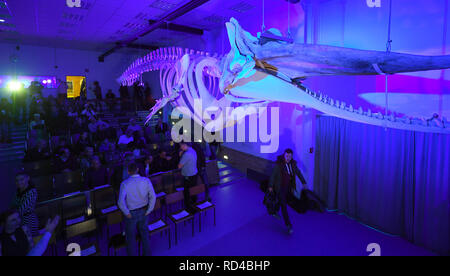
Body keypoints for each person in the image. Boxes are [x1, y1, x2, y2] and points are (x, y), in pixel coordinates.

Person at [117, 162, 156, 256]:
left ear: (128, 171)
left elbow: (120, 202)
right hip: (144, 211)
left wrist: (126, 213)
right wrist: (150, 209)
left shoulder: (124, 183)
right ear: (137, 170)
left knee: (130, 237)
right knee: (144, 234)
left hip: (131, 213)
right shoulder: (146, 180)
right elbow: (153, 196)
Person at [268, 148, 307, 235]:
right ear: (284, 155)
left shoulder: (293, 164)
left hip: (288, 188)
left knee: (281, 201)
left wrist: (304, 182)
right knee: (284, 206)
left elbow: (298, 173)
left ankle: (274, 211)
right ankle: (288, 225)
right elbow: (273, 175)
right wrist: (270, 186)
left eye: (290, 156)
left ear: (292, 156)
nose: (288, 158)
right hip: (280, 187)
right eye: (286, 156)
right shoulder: (279, 164)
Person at [178, 142, 198, 211]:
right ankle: (194, 206)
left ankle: (189, 209)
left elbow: (179, 166)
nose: (180, 148)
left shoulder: (186, 154)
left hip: (188, 176)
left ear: (184, 145)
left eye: (180, 146)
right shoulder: (193, 150)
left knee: (187, 193)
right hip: (194, 174)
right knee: (193, 192)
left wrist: (180, 156)